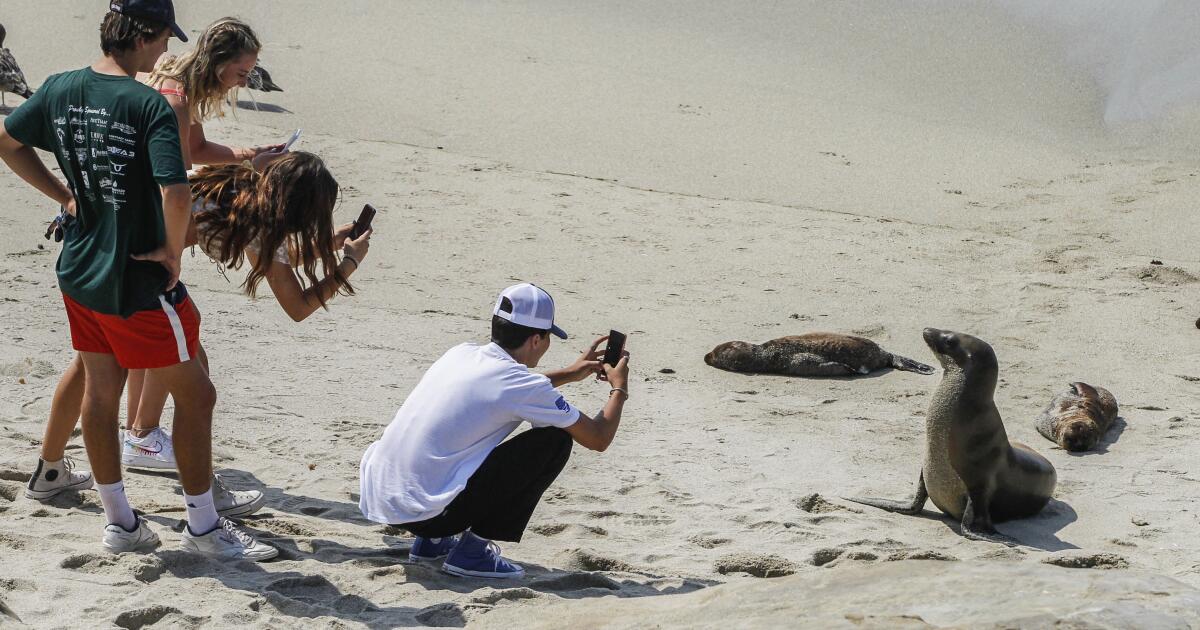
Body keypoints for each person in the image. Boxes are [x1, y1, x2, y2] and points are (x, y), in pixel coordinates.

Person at [0, 0, 274, 561]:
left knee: (102, 393)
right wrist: (173, 251)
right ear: (143, 34)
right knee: (197, 396)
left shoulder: (59, 87)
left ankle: (122, 522)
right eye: (161, 39)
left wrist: (64, 196)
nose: (165, 51)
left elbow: (7, 142)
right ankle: (204, 526)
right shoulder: (146, 103)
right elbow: (176, 190)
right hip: (136, 275)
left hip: (78, 266)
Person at [359, 283, 631, 579]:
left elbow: (506, 389)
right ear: (536, 340)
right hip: (429, 514)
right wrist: (619, 387)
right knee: (555, 440)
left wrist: (571, 373)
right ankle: (472, 553)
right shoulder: (519, 386)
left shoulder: (461, 354)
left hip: (385, 498)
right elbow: (598, 438)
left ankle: (431, 543)